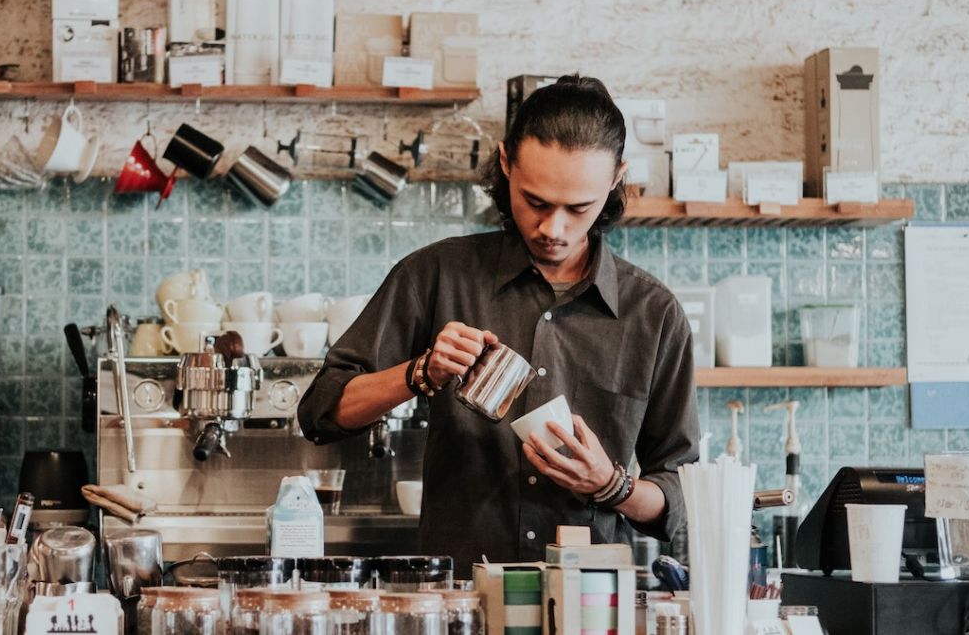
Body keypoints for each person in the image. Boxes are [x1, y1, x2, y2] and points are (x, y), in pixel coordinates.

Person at [297, 76, 700, 569]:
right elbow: (321, 412)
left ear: (616, 179)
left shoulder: (654, 314)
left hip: (588, 601)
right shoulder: (435, 275)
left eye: (578, 208)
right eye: (535, 201)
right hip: (460, 597)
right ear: (506, 163)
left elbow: (680, 495)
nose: (553, 229)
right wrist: (419, 373)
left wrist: (610, 485)